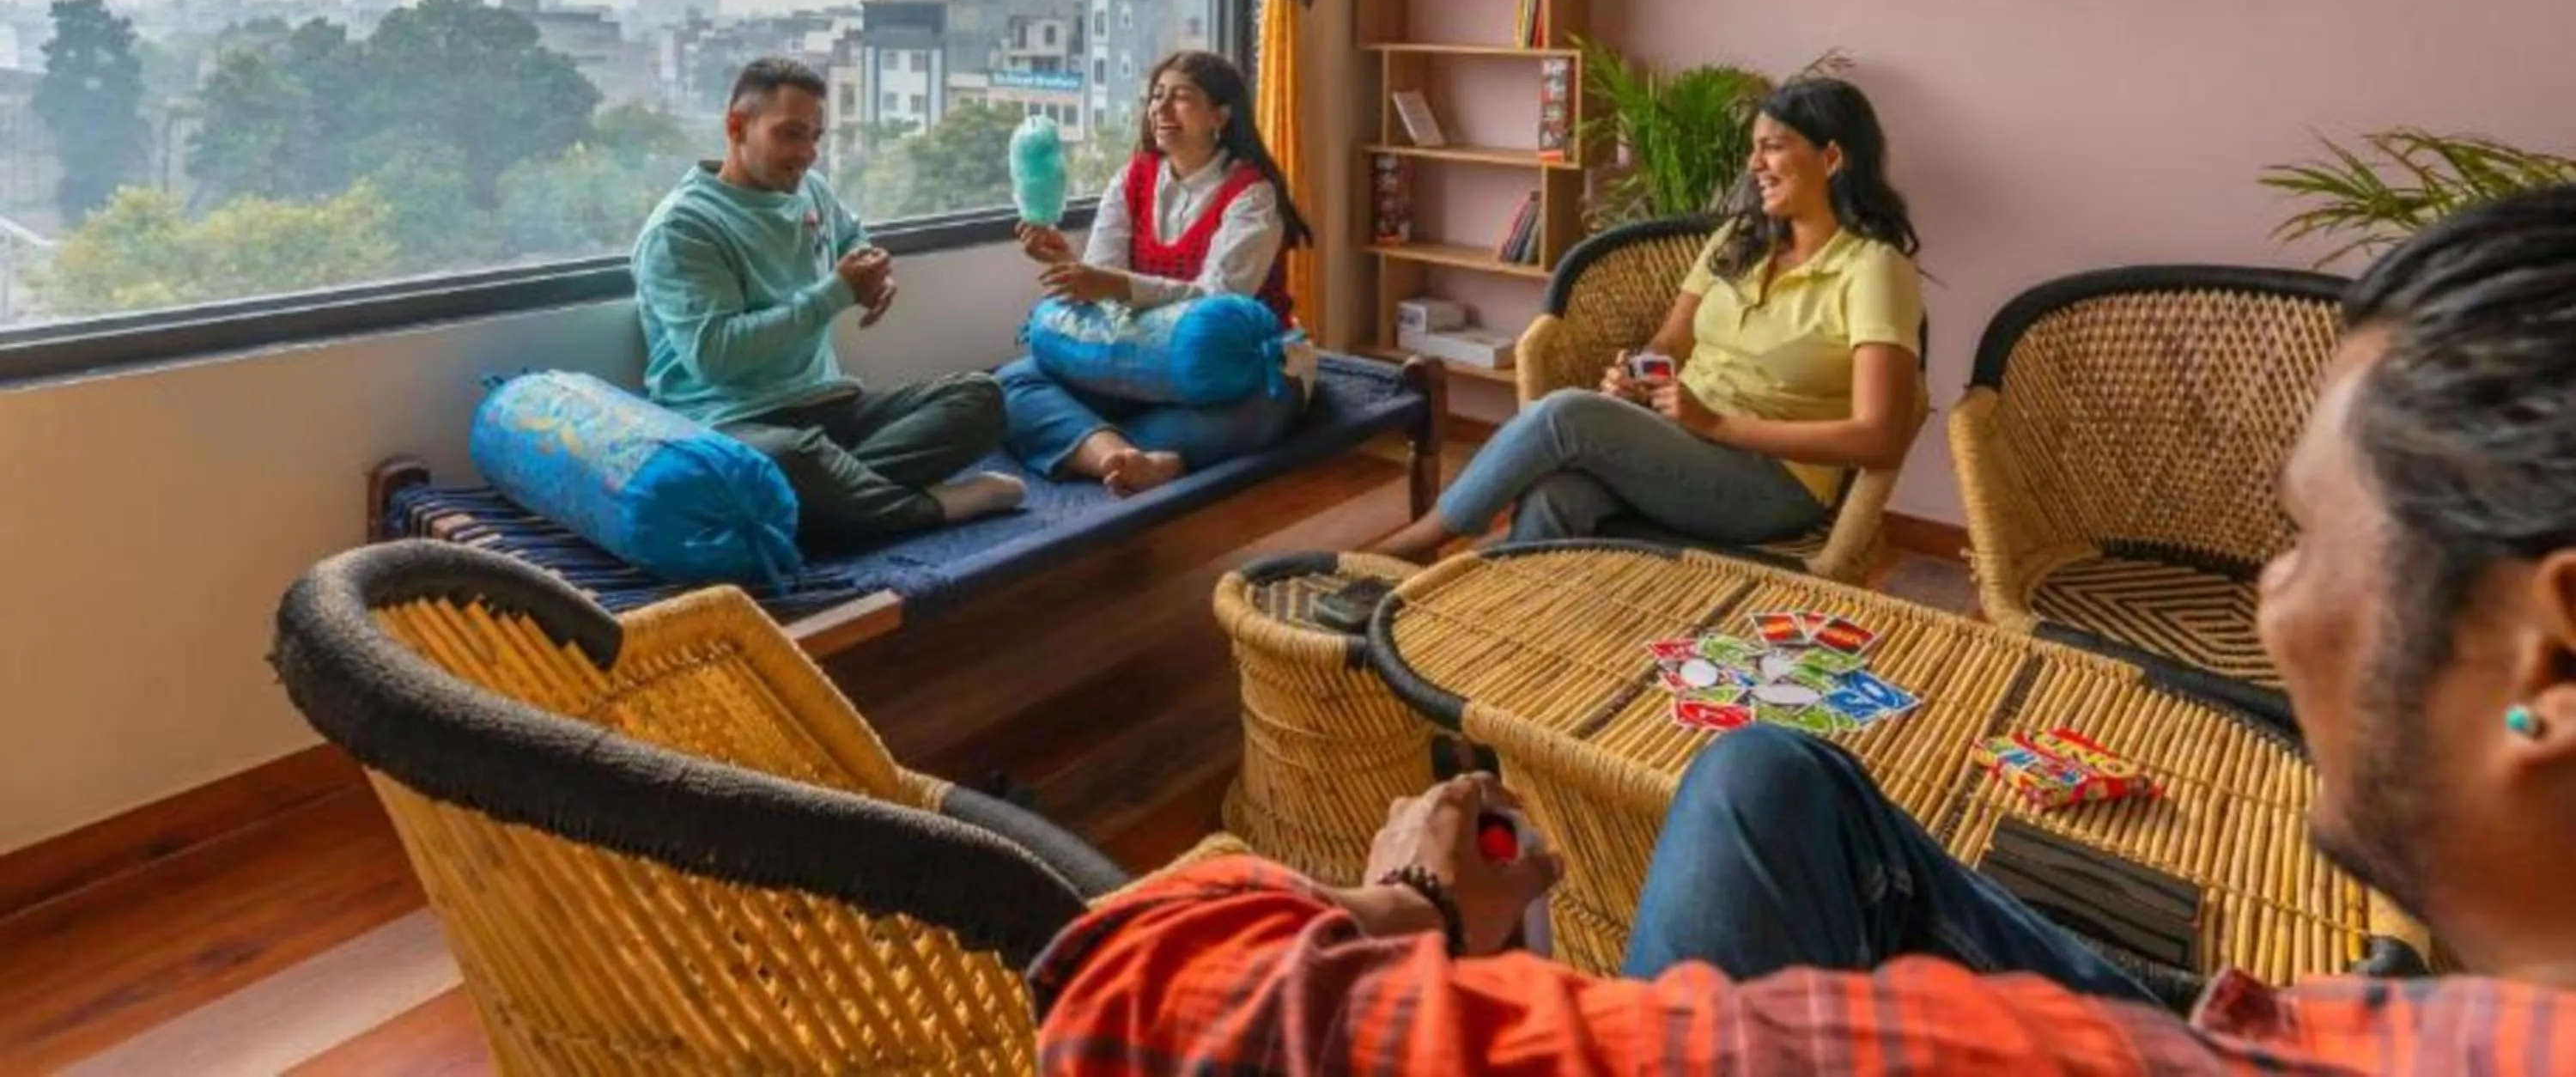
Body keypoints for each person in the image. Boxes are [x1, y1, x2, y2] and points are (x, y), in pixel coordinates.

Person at [1032, 185, 2576, 1072]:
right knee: (1757, 751)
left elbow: (1141, 998)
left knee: (1561, 429)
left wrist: (1419, 911)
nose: (2270, 591)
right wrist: (1681, 348)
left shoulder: (1874, 272)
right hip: (2262, 1009)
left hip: (1769, 496)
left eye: (2308, 539)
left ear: (2547, 663)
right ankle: (1474, 590)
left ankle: (1417, 551)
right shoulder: (1739, 256)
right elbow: (1649, 357)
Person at [1373, 76, 1925, 562]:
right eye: (1754, 149)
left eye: (1774, 148)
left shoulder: (1874, 270)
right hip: (1681, 441)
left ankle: (1411, 547)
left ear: (1832, 159)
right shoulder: (1739, 238)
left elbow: (1879, 438)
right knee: (1556, 496)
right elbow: (1671, 342)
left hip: (1774, 481)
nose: (1754, 164)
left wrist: (1717, 425)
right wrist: (1639, 374)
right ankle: (1513, 644)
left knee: (1564, 415)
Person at [631, 57, 1020, 551]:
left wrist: (876, 272)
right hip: (732, 422)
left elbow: (854, 239)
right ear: (736, 126)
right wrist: (835, 292)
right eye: (791, 134)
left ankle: (832, 500)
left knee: (982, 397)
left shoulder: (809, 190)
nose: (808, 153)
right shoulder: (684, 228)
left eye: (816, 136)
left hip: (830, 406)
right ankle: (930, 506)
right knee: (789, 459)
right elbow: (714, 356)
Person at [998, 50, 1314, 496]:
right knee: (1011, 383)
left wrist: (1114, 285)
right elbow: (1104, 280)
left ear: (1219, 116)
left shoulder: (1253, 195)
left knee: (1260, 413)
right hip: (1138, 356)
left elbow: (1217, 297)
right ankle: (1128, 457)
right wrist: (1067, 263)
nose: (1160, 110)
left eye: (1180, 98)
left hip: (1238, 368)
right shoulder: (1133, 179)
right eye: (1156, 97)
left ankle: (1097, 444)